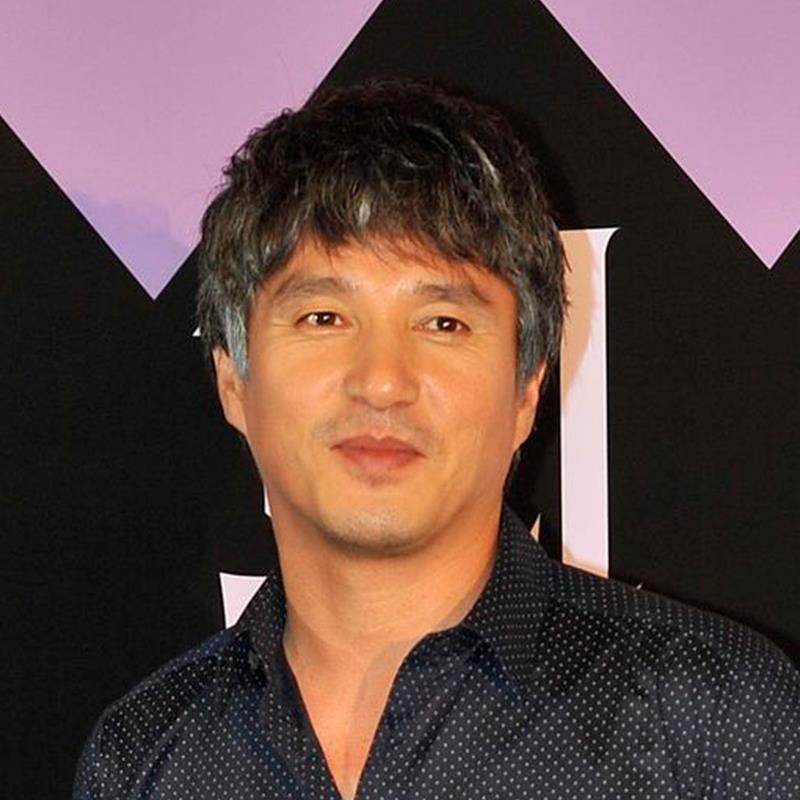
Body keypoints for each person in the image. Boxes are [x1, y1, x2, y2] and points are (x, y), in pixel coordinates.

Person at [73, 78, 800, 800]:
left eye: (442, 323)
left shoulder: (713, 723)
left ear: (526, 390)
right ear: (233, 381)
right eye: (324, 317)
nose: (382, 382)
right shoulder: (142, 758)